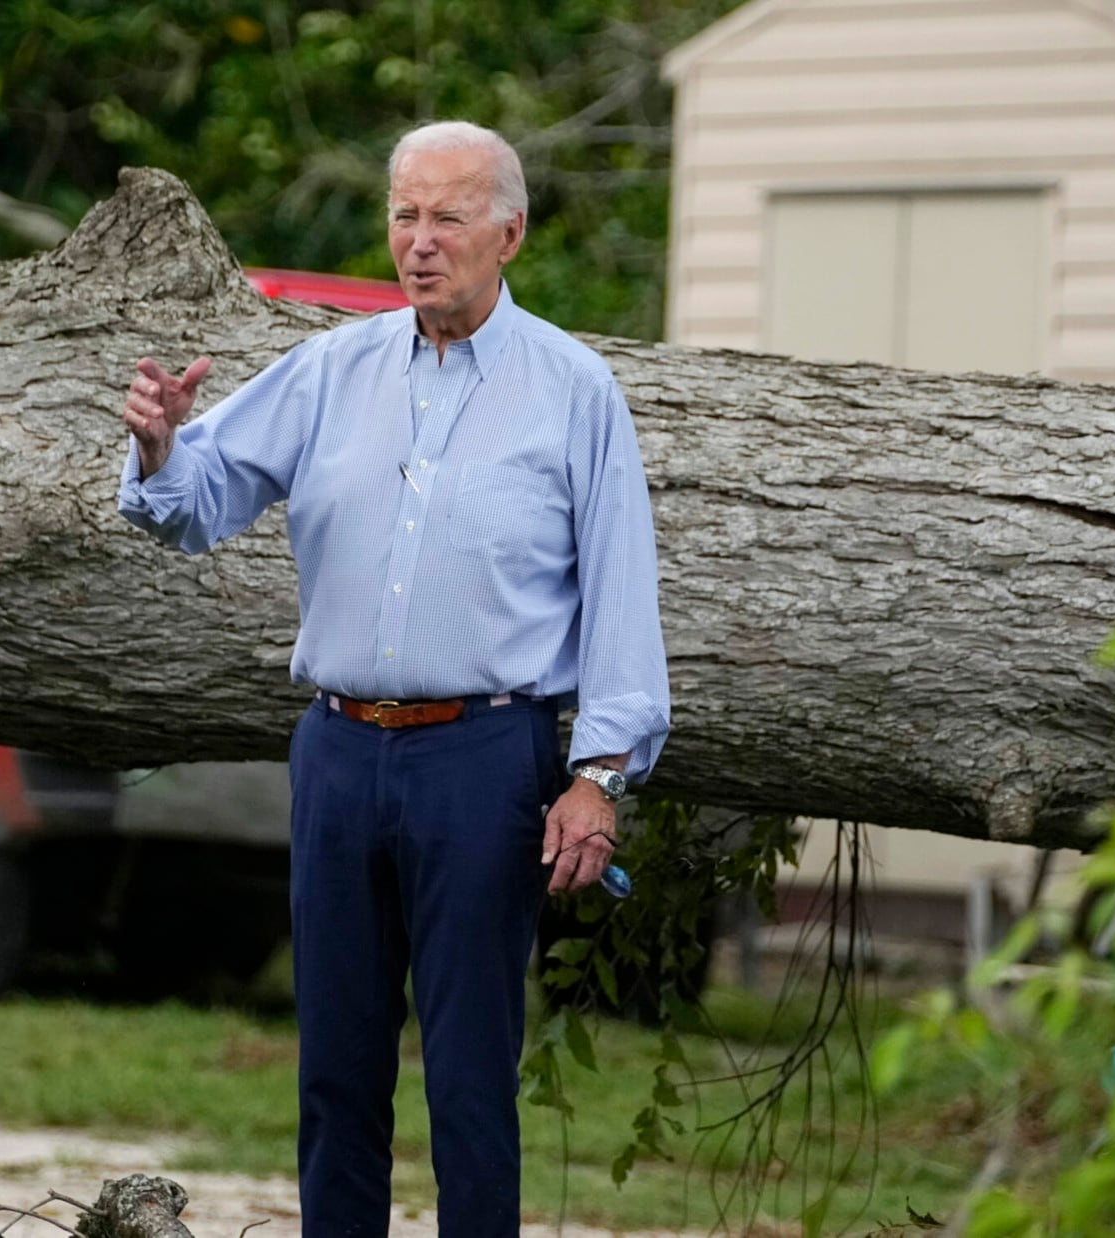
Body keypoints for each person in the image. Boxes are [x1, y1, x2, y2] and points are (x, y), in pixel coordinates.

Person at [114, 120, 671, 1237]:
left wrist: (598, 771)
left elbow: (620, 597)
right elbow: (189, 504)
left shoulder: (573, 390)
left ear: (507, 232)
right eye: (403, 215)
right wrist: (165, 444)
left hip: (483, 757)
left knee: (468, 1077)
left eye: (447, 217)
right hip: (337, 752)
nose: (418, 243)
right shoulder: (332, 368)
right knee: (336, 1071)